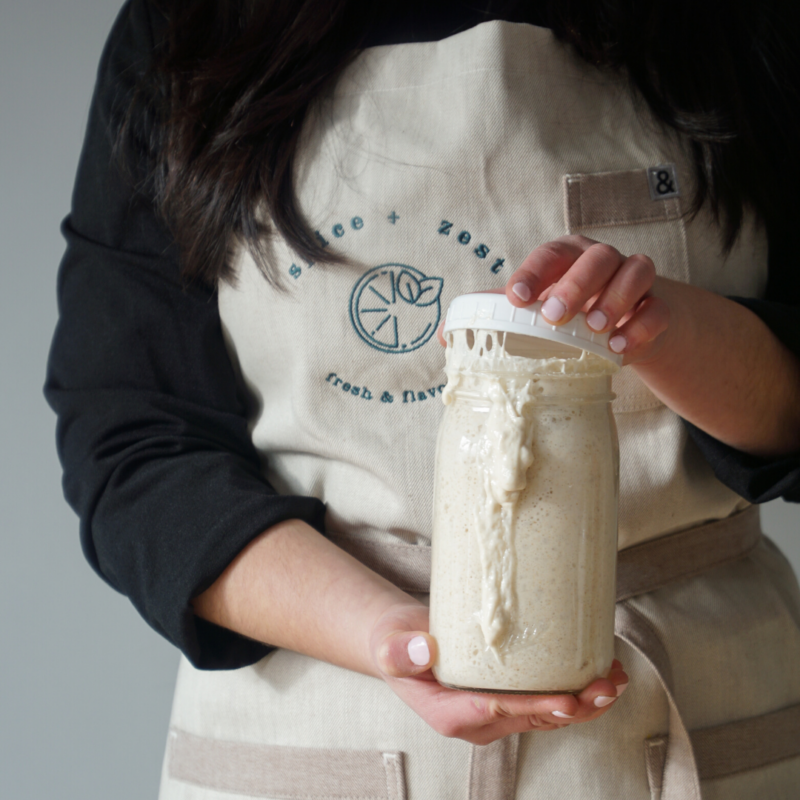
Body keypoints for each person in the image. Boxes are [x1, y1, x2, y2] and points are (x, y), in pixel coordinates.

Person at [46, 0, 800, 797]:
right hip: (324, 716)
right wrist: (384, 634)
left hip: (700, 703)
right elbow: (132, 439)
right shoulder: (191, 26)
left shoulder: (735, 22)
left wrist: (663, 329)